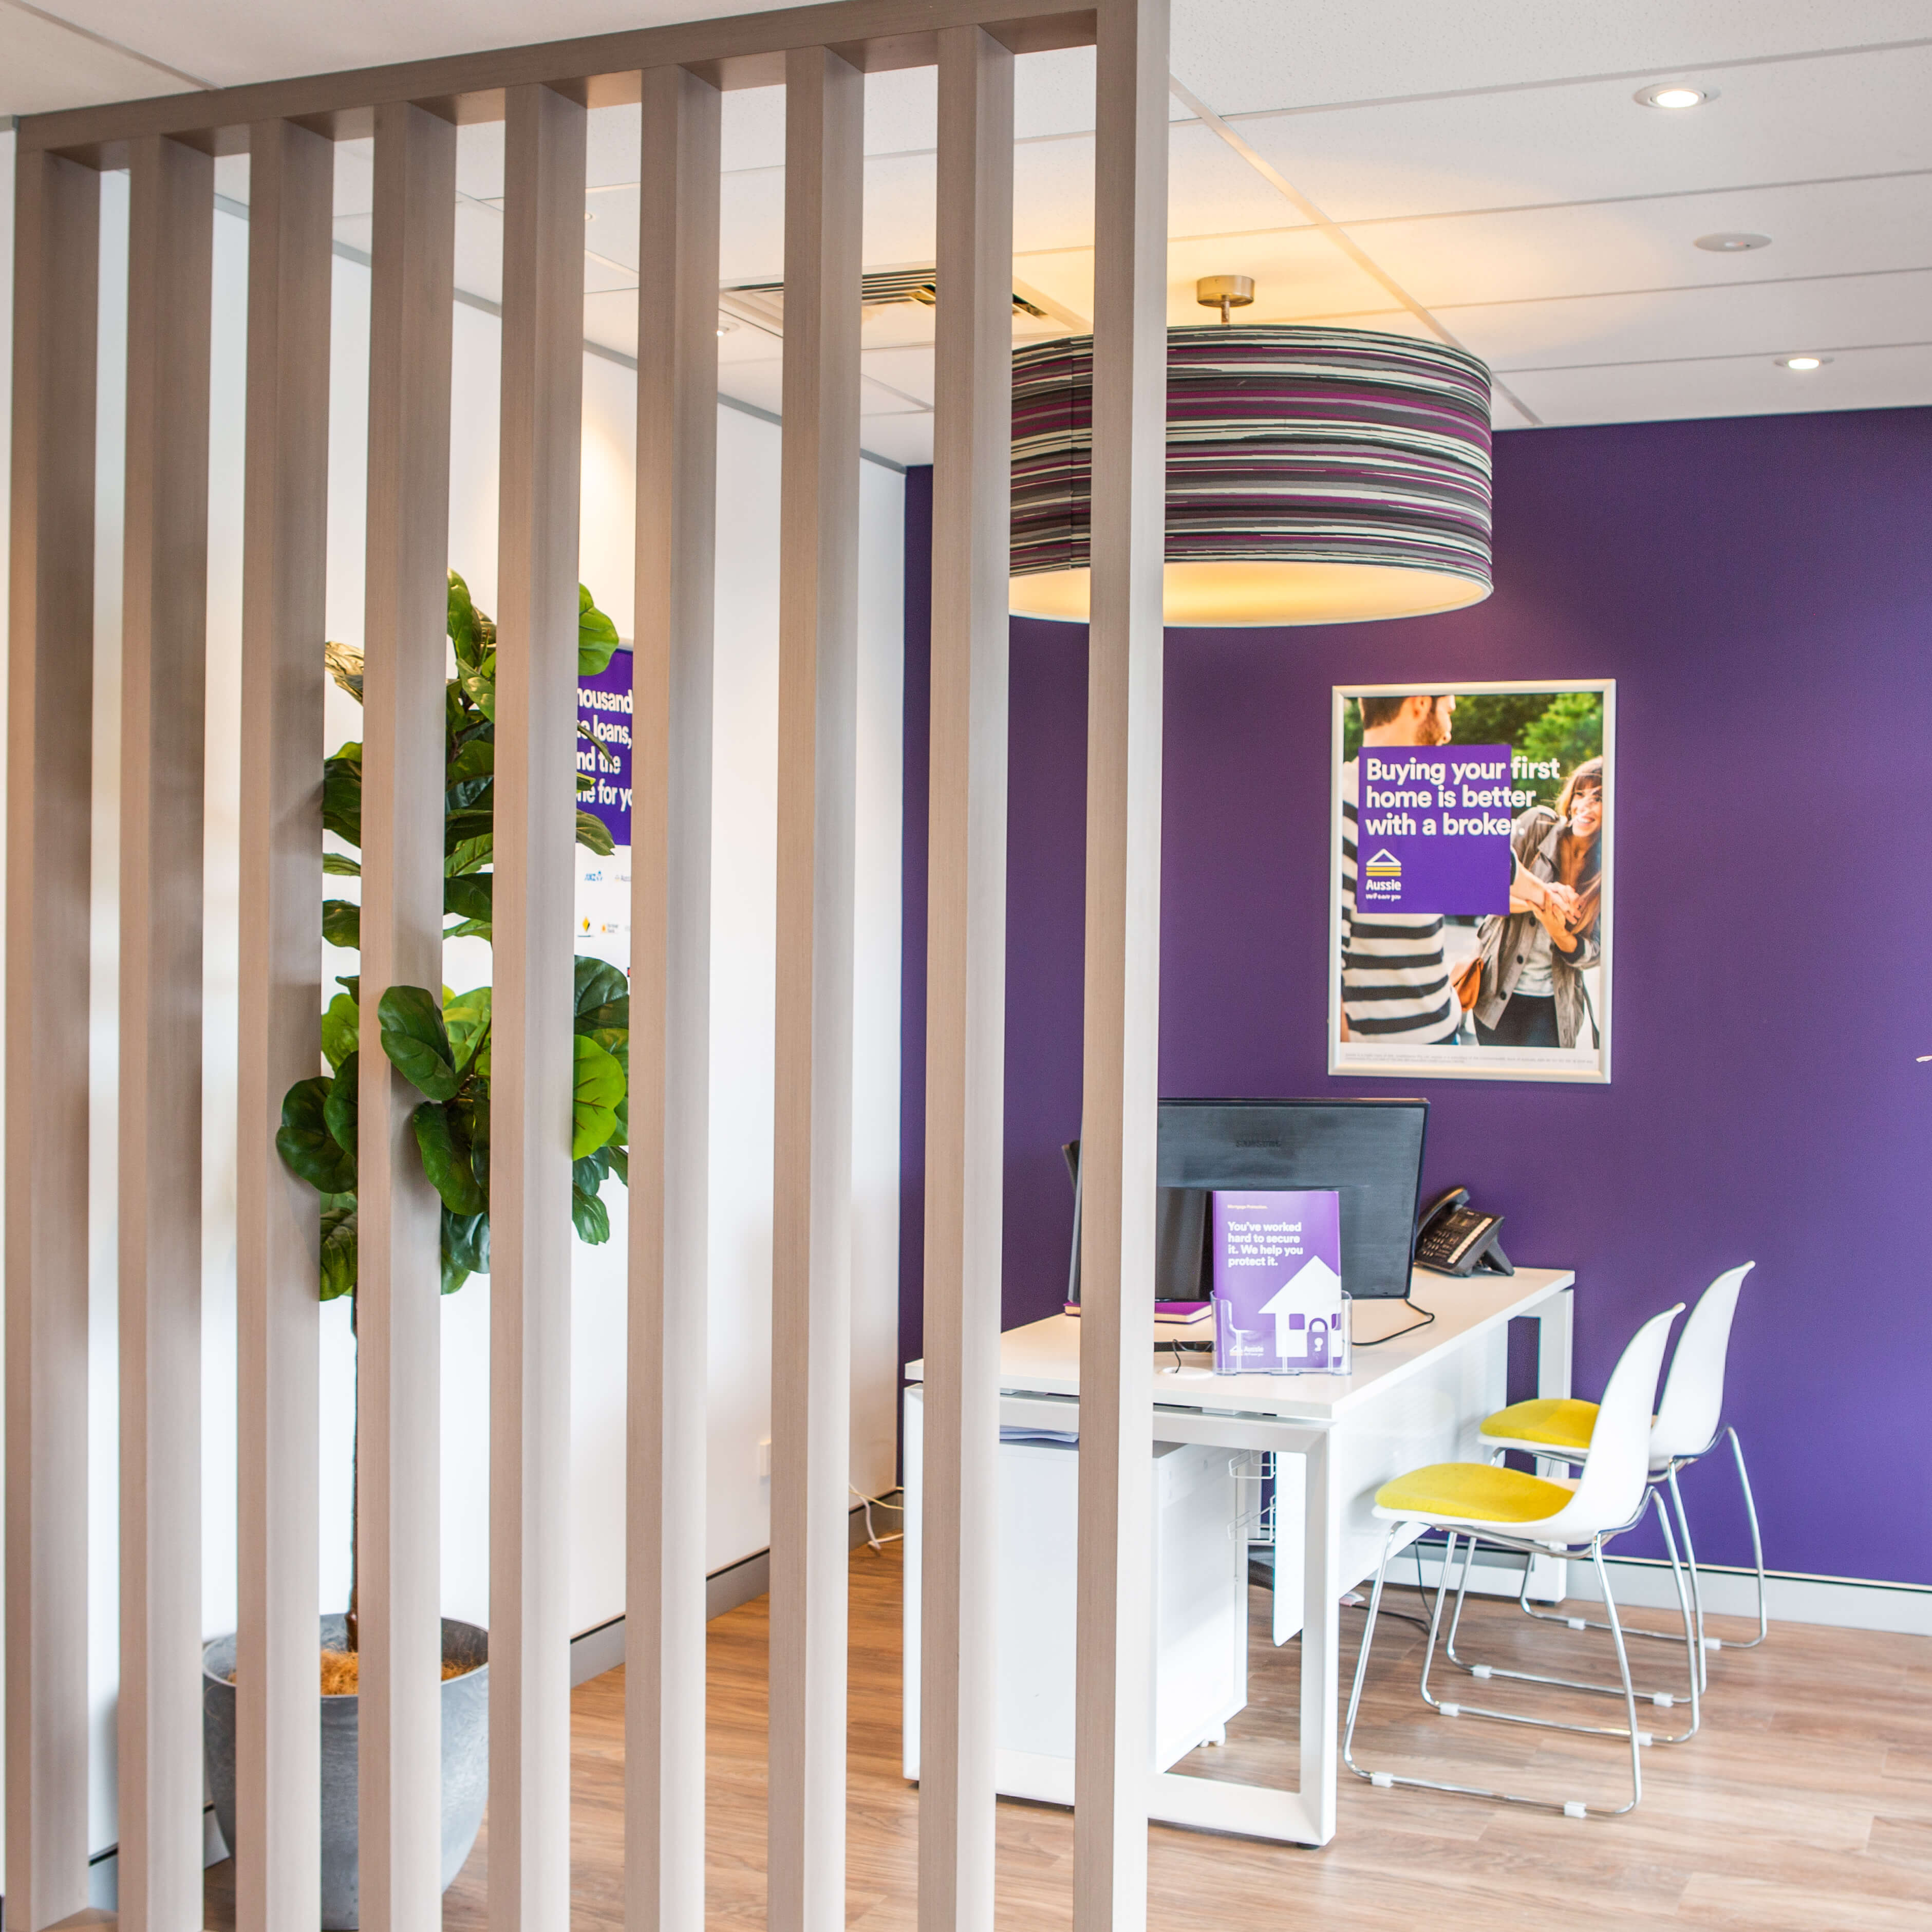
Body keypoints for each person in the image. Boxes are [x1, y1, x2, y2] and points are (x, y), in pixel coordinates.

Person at [1339, 692, 1462, 1047]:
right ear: (1421, 704)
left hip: (1443, 1035)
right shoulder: (1344, 801)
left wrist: (1545, 894)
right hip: (1395, 1058)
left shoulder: (1419, 802)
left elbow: (1494, 865)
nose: (1449, 731)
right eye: (1448, 711)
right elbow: (1321, 977)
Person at [1472, 756, 1605, 1049]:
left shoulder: (1607, 869)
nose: (1585, 806)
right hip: (1495, 996)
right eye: (1580, 794)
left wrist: (1556, 929)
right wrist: (1543, 901)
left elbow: (1596, 953)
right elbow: (1484, 891)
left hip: (1553, 1008)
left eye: (1598, 798)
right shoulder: (1538, 824)